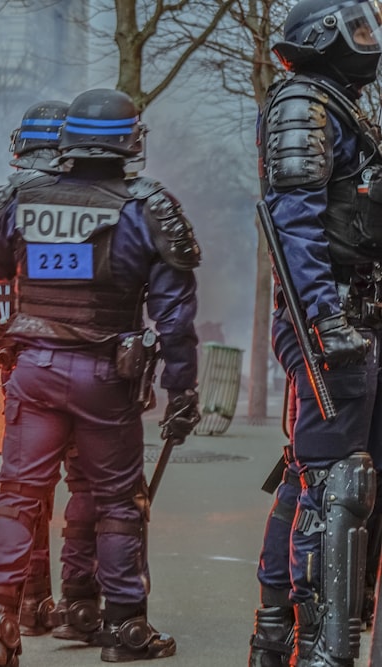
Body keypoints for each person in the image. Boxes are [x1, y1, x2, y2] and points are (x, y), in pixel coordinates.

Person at [0, 88, 201, 666]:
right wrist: (183, 389)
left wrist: (5, 331)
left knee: (19, 493)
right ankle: (123, 627)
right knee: (117, 498)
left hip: (33, 370)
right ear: (130, 142)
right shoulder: (148, 207)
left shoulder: (19, 196)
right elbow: (174, 315)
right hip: (105, 376)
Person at [247, 2, 382, 665]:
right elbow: (297, 222)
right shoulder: (307, 102)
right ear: (323, 37)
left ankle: (278, 639)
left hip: (360, 317)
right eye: (358, 29)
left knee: (332, 483)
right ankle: (319, 648)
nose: (370, 41)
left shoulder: (344, 103)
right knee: (335, 485)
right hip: (331, 320)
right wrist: (324, 313)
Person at [0, 99, 103, 642]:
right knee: (89, 484)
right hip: (90, 362)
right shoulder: (97, 200)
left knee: (27, 488)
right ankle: (79, 602)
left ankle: (28, 602)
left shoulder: (0, 200)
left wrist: (5, 343)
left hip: (25, 361)